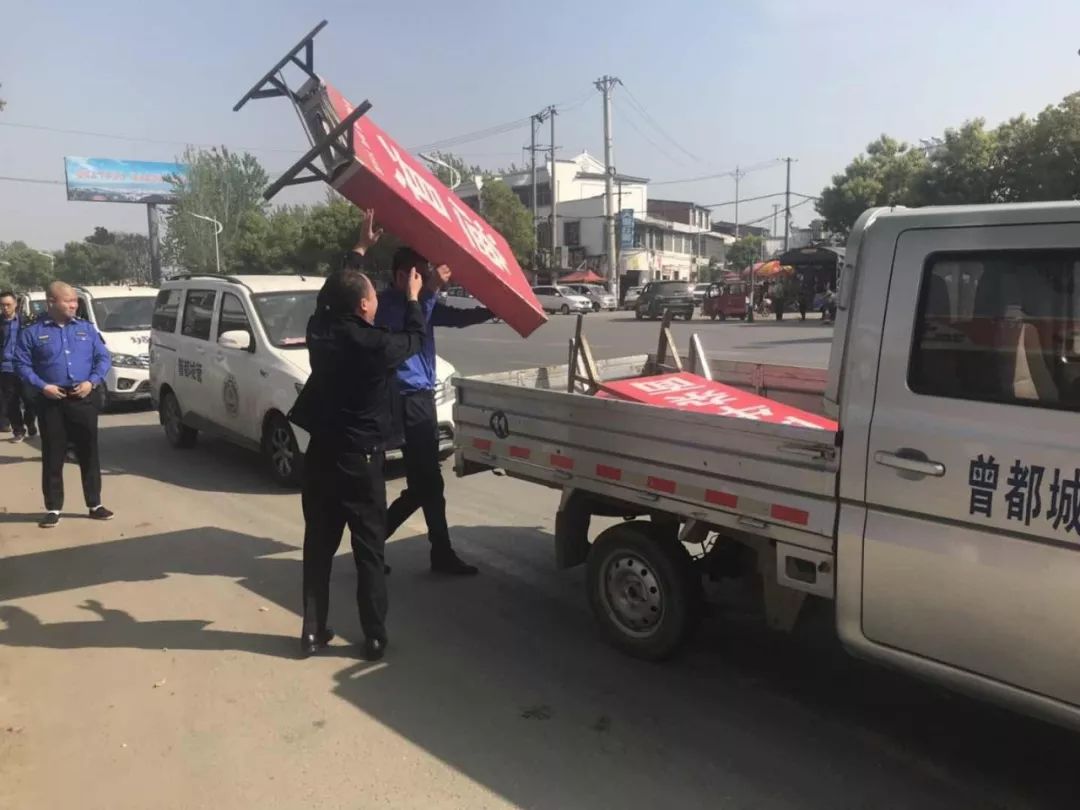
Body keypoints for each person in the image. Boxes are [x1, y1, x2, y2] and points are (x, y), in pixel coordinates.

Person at [290, 258, 426, 661]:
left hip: (320, 456)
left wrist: (359, 252)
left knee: (318, 546)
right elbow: (415, 338)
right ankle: (374, 637)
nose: (376, 299)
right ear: (364, 305)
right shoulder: (375, 345)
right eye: (371, 293)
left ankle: (312, 631)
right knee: (369, 551)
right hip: (360, 462)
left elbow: (329, 297)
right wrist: (413, 298)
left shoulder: (319, 331)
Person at [376, 247, 493, 576]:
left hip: (422, 399)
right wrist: (428, 292)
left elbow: (455, 317)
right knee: (427, 482)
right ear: (402, 276)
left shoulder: (421, 302)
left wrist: (492, 310)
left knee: (425, 485)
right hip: (403, 400)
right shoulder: (386, 306)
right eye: (421, 275)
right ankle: (424, 551)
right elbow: (411, 328)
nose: (427, 280)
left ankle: (418, 549)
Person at [14, 281, 112, 528]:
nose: (73, 305)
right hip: (51, 401)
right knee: (53, 454)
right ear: (51, 302)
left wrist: (92, 382)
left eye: (75, 301)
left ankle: (95, 504)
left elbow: (103, 358)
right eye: (68, 301)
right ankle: (53, 508)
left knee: (89, 452)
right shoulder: (32, 332)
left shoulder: (86, 329)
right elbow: (21, 364)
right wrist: (42, 386)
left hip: (83, 398)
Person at [0, 290, 36, 441]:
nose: (5, 308)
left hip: (25, 367)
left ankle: (30, 421)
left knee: (30, 398)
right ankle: (18, 430)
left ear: (15, 304)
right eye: (2, 305)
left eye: (8, 304)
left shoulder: (27, 322)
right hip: (6, 368)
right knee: (11, 401)